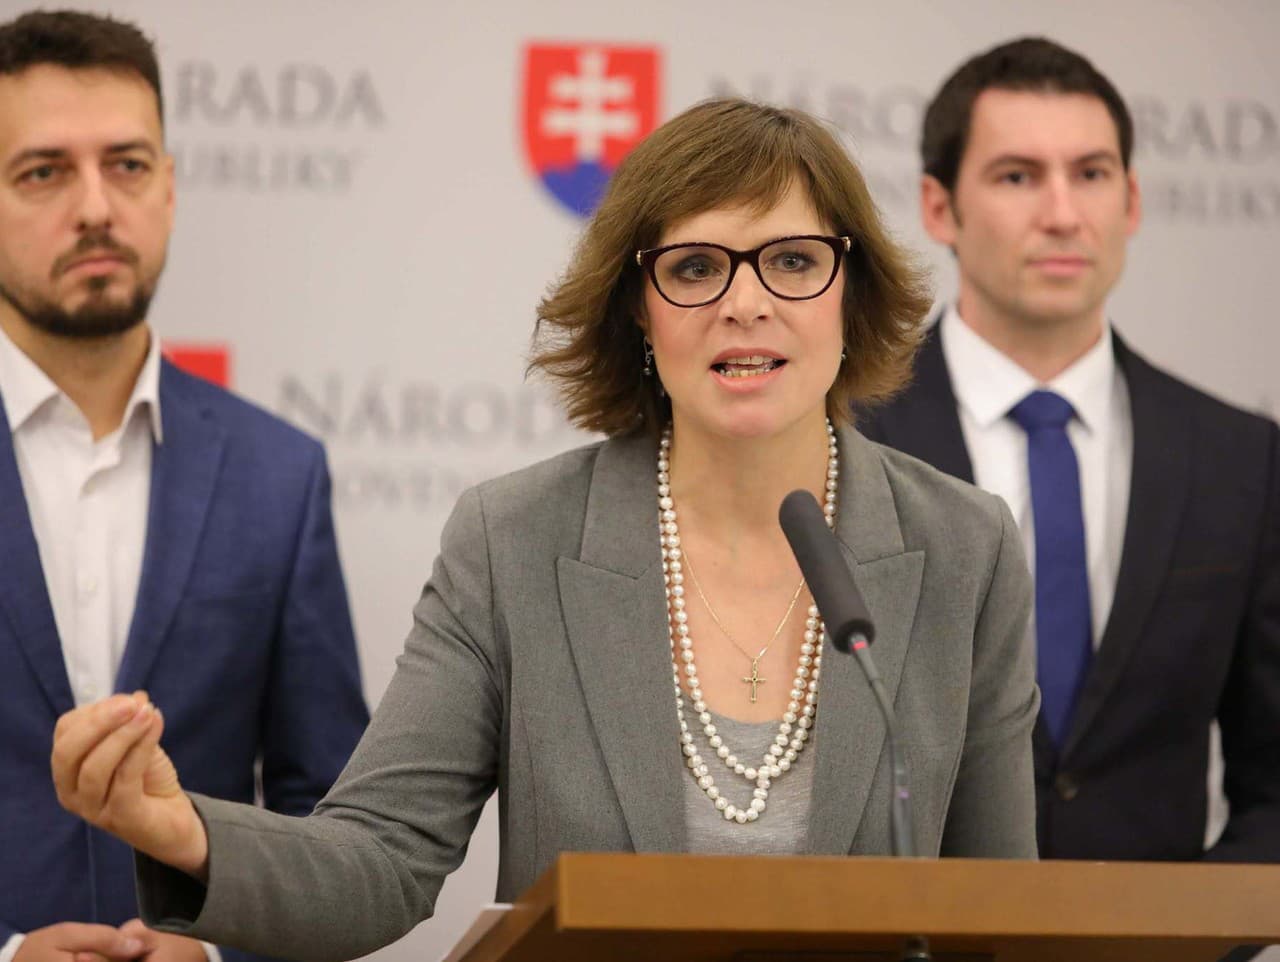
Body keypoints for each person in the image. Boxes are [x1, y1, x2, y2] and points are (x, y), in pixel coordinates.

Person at [51, 97, 1038, 962]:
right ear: (639, 313)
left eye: (791, 261)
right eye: (695, 266)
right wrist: (184, 830)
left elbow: (1004, 912)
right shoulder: (514, 540)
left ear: (850, 291)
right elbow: (380, 859)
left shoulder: (966, 550)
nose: (746, 303)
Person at [0, 11, 369, 962]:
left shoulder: (278, 475)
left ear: (168, 188)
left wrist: (215, 954)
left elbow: (332, 825)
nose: (95, 207)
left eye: (126, 165)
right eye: (43, 172)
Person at [857, 37, 1280, 866]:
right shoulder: (848, 437)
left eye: (1090, 174)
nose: (1061, 214)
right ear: (939, 208)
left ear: (1132, 200)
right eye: (1017, 177)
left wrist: (1190, 928)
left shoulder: (1239, 459)